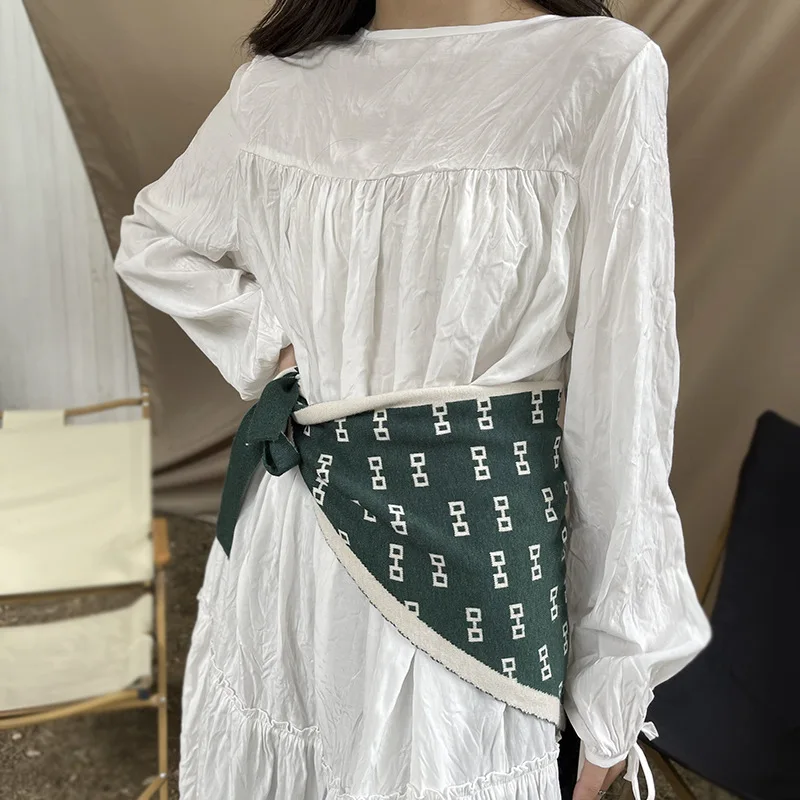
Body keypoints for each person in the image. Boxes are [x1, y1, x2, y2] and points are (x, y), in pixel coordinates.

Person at [115, 1, 711, 798]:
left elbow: (623, 408)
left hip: (469, 581)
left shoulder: (598, 71)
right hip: (287, 550)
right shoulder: (278, 83)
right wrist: (277, 346)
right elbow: (155, 239)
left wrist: (614, 679)